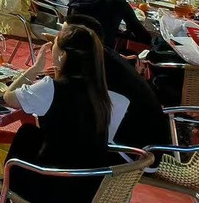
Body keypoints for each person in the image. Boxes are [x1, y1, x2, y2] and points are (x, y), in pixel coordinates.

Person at [2, 26, 129, 203]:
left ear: (62, 55)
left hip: (53, 188)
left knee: (27, 136)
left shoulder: (51, 87)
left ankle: (0, 191)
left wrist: (36, 68)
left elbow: (8, 97)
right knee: (30, 134)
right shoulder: (100, 93)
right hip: (86, 189)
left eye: (54, 44)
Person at [63, 14, 170, 152]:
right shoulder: (105, 57)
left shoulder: (95, 70)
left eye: (63, 37)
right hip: (151, 141)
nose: (57, 41)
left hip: (137, 154)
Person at [68, 0, 154, 51]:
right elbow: (137, 30)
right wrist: (153, 42)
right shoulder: (118, 3)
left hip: (71, 40)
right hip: (101, 48)